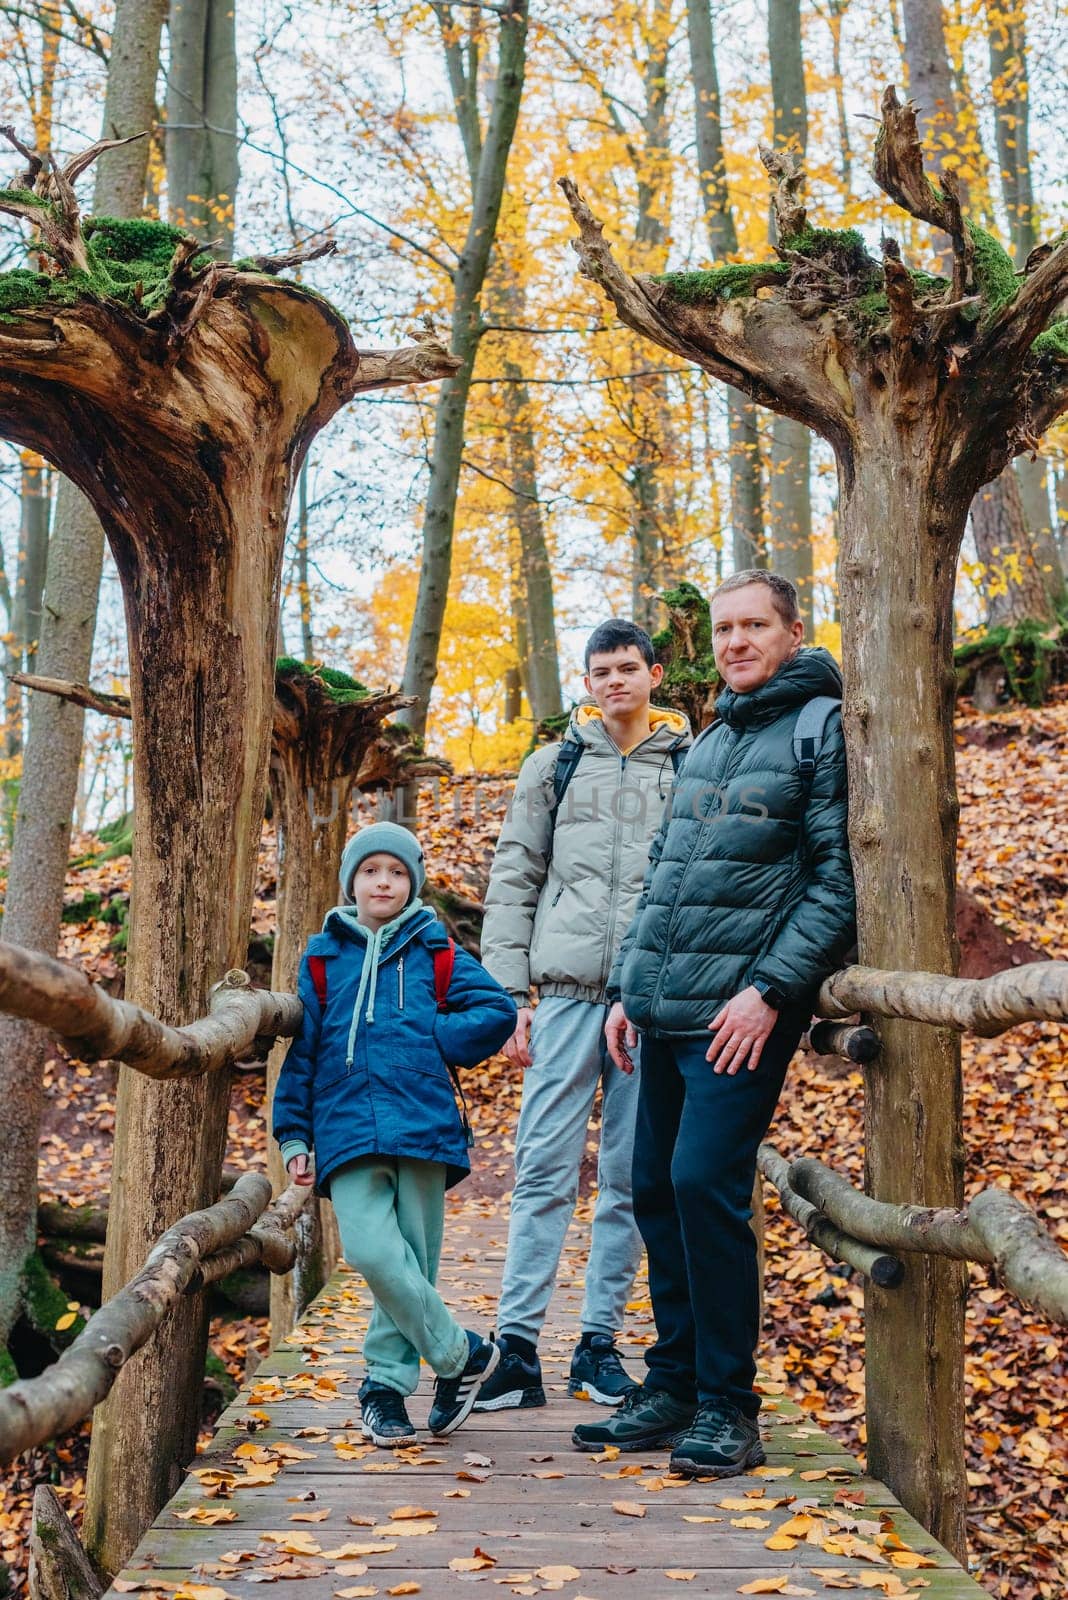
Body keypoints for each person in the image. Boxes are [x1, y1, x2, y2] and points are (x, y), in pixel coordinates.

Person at [572, 571, 856, 1476]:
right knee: (652, 1186)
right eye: (725, 628)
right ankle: (677, 1384)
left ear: (791, 631)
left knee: (703, 1184)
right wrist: (626, 989)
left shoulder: (821, 731)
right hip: (664, 1009)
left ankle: (731, 1408)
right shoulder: (709, 739)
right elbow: (665, 874)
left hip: (741, 1014)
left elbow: (834, 883)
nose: (736, 641)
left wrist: (772, 990)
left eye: (755, 626)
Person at [477, 620, 692, 1411]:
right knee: (541, 1172)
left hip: (647, 1005)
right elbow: (514, 877)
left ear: (654, 674)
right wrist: (506, 997)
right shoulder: (553, 765)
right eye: (601, 671)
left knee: (633, 1178)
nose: (614, 682)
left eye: (628, 668)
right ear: (589, 680)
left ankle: (598, 1344)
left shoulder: (690, 767)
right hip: (563, 996)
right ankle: (517, 1349)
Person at [272, 821, 517, 1445]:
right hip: (346, 1123)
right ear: (352, 880)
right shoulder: (324, 958)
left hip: (423, 1123)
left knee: (412, 1262)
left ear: (413, 884)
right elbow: (303, 1050)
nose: (384, 881)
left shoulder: (434, 949)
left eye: (398, 872)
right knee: (373, 1254)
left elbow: (495, 1011)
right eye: (372, 870)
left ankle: (383, 1391)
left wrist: (433, 1039)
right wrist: (294, 1134)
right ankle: (461, 1356)